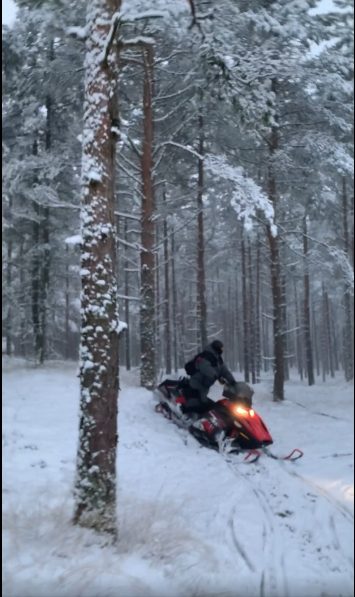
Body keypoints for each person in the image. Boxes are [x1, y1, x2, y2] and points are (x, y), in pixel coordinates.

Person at [175, 339, 237, 417]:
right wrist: (216, 376)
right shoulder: (205, 356)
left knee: (210, 404)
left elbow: (225, 371)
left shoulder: (218, 359)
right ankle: (185, 413)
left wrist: (233, 382)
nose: (222, 350)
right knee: (202, 403)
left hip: (205, 384)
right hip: (197, 382)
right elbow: (205, 368)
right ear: (216, 348)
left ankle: (201, 418)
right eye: (221, 348)